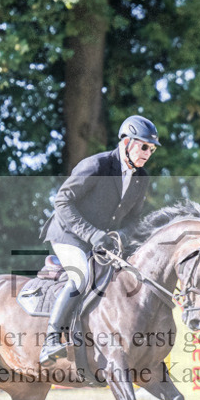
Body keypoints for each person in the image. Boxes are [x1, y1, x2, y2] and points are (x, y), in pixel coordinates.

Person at [37, 115, 161, 366]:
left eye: (152, 148)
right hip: (69, 235)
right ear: (126, 142)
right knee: (80, 276)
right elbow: (62, 201)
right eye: (144, 146)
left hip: (103, 242)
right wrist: (92, 234)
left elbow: (134, 220)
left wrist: (123, 236)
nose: (148, 152)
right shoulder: (97, 165)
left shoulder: (141, 178)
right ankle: (50, 340)